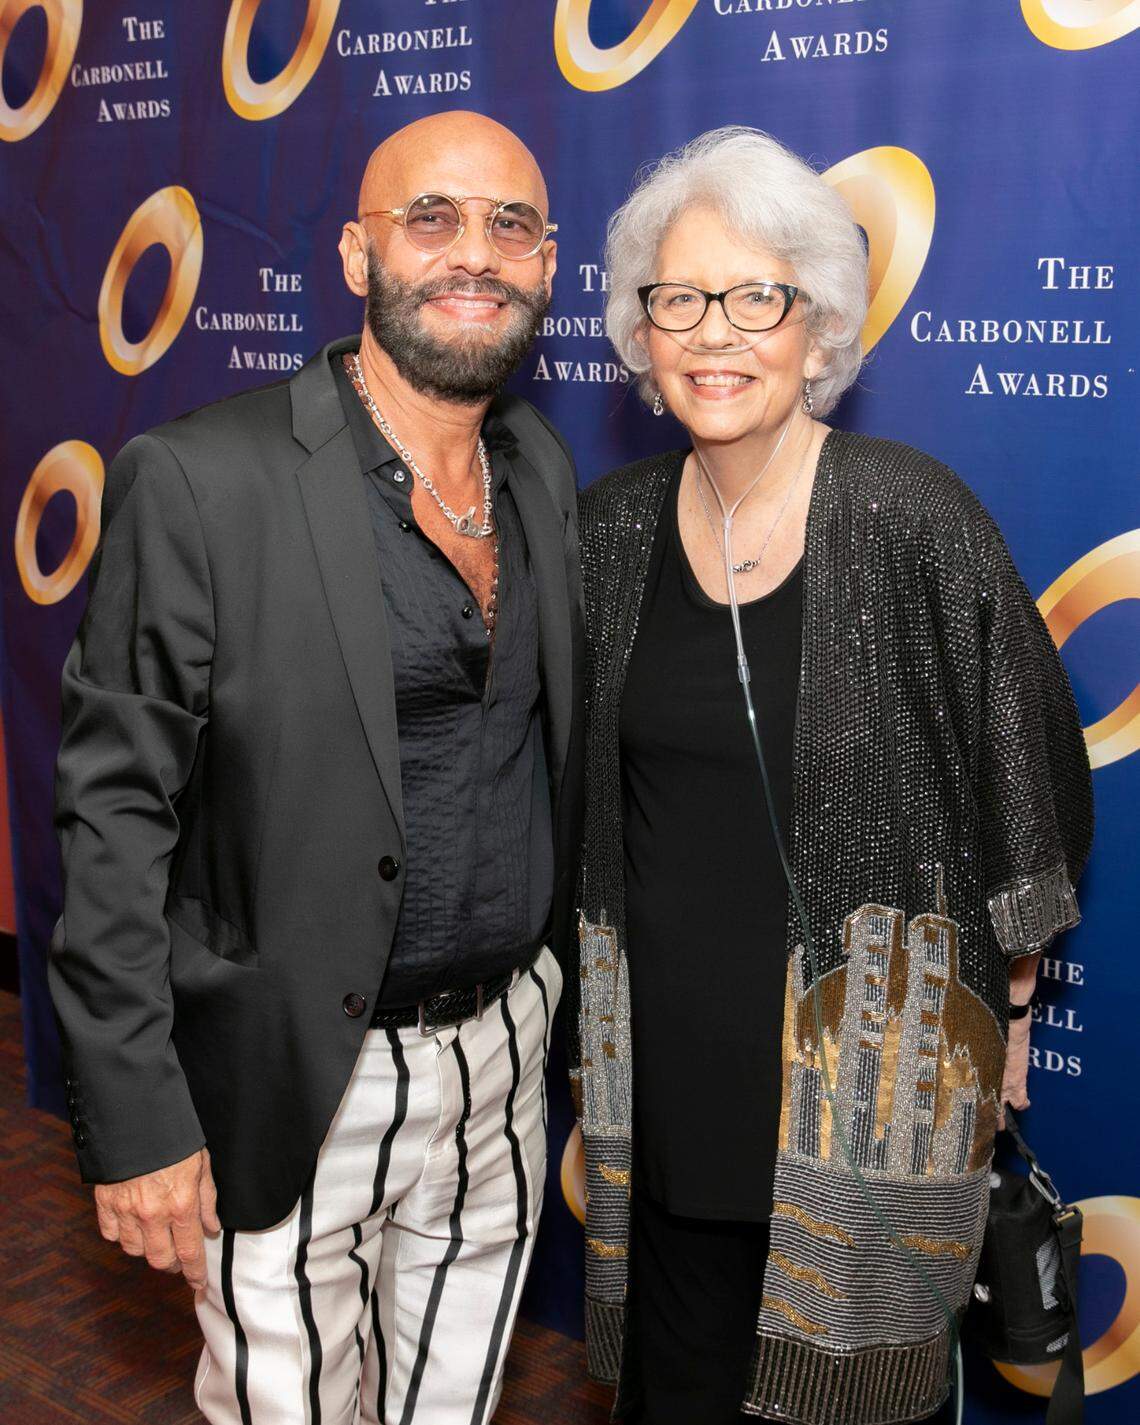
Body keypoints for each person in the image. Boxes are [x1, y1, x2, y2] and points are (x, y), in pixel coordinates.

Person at [50, 110, 583, 1425]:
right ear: (357, 252)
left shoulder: (544, 469)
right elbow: (114, 814)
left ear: (551, 263)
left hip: (505, 1064)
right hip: (293, 1079)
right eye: (433, 218)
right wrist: (137, 1119)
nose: (476, 253)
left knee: (450, 1405)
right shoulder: (203, 480)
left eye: (510, 224)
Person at [570, 127, 1093, 1425]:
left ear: (818, 326)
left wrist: (1014, 1009)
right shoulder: (609, 533)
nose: (716, 332)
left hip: (876, 1114)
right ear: (642, 331)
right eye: (679, 298)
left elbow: (1028, 771)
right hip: (668, 1106)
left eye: (759, 297)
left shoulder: (914, 517)